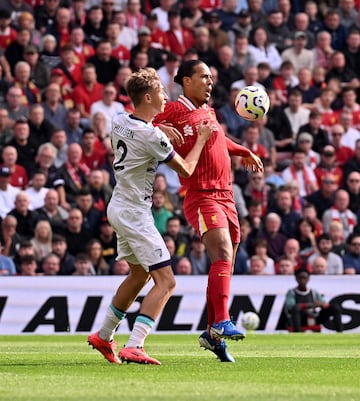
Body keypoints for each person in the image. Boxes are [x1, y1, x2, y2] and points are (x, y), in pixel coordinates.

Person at [88, 67, 212, 366]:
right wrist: (202, 139)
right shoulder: (152, 135)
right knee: (167, 282)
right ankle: (135, 344)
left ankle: (103, 336)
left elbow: (140, 129)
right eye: (160, 92)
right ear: (147, 96)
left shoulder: (119, 119)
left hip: (119, 206)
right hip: (134, 212)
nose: (165, 96)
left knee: (139, 275)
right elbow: (186, 169)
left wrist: (158, 127)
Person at [154, 60, 263, 363]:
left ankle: (212, 335)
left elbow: (218, 141)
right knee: (224, 254)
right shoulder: (174, 110)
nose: (209, 82)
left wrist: (243, 150)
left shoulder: (208, 112)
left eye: (211, 78)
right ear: (186, 81)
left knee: (223, 263)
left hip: (226, 194)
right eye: (203, 76)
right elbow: (137, 125)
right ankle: (221, 321)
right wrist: (157, 126)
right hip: (201, 195)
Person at [285, 267, 343, 332]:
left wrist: (322, 304)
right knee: (296, 308)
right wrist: (312, 305)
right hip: (299, 319)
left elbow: (322, 303)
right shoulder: (292, 292)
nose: (302, 280)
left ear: (308, 278)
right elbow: (290, 307)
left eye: (304, 278)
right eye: (300, 278)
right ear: (296, 278)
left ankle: (340, 332)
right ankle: (297, 332)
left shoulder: (313, 292)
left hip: (313, 317)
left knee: (335, 308)